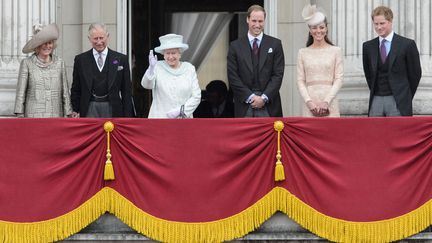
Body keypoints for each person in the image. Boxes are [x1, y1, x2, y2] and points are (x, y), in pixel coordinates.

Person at [362, 6, 421, 116]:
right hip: (376, 100)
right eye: (376, 24)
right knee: (374, 132)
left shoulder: (407, 44)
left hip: (399, 101)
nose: (379, 27)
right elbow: (369, 74)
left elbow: (415, 74)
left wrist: (405, 96)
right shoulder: (368, 46)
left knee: (399, 133)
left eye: (382, 23)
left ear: (390, 21)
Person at [227, 4, 285, 117]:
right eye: (254, 21)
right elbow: (233, 76)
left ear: (264, 21)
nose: (257, 25)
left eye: (260, 21)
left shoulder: (275, 44)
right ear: (247, 19)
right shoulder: (235, 46)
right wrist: (251, 97)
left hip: (269, 105)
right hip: (244, 105)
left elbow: (278, 74)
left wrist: (263, 98)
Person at [71, 23, 133, 118]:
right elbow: (76, 88)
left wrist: (127, 116)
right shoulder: (80, 60)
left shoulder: (121, 59)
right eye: (95, 38)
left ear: (107, 36)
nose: (99, 42)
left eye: (101, 38)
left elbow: (126, 91)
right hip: (89, 108)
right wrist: (75, 110)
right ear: (89, 39)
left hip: (113, 108)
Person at [14, 23, 72, 118]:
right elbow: (21, 92)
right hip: (33, 117)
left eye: (50, 43)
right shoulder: (27, 63)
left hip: (56, 115)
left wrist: (68, 112)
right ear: (37, 45)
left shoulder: (60, 63)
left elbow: (65, 91)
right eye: (44, 43)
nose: (48, 46)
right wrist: (20, 114)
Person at [297, 4, 343, 117]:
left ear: (326, 28)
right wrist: (309, 102)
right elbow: (300, 80)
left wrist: (327, 101)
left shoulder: (336, 51)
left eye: (321, 27)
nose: (318, 31)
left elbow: (339, 79)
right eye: (314, 27)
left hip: (329, 101)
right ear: (310, 30)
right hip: (309, 104)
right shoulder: (302, 52)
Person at [141, 33, 201, 118]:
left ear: (180, 54)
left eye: (173, 53)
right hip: (160, 120)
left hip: (183, 120)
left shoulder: (189, 69)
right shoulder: (157, 67)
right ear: (163, 54)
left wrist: (181, 111)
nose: (170, 56)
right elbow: (146, 85)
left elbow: (196, 96)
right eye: (167, 53)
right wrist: (151, 69)